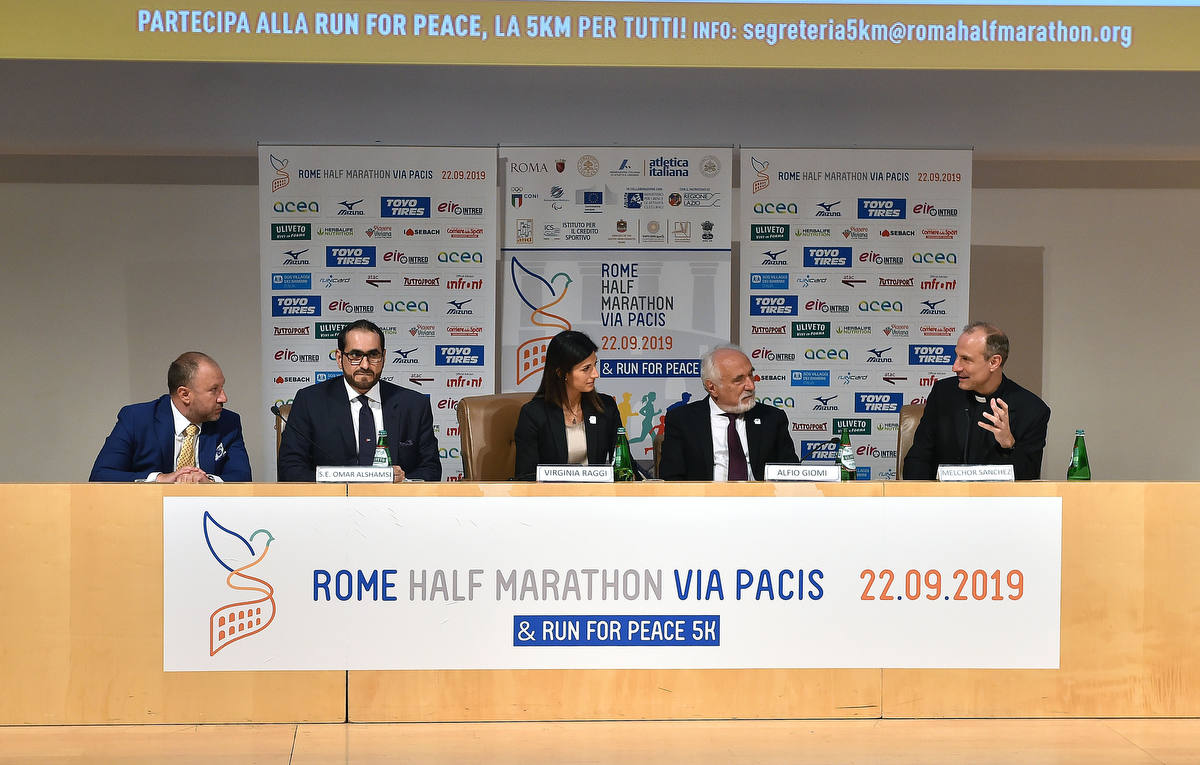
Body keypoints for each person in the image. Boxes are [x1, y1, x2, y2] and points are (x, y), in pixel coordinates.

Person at [277, 319, 440, 483]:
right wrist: (343, 481)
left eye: (373, 355)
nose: (365, 365)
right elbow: (289, 469)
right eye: (355, 355)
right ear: (339, 358)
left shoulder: (414, 405)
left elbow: (431, 469)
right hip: (333, 498)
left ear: (383, 357)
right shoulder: (310, 401)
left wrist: (403, 482)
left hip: (395, 498)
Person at [903, 321, 1051, 480]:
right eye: (957, 356)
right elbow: (918, 457)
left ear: (994, 362)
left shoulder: (1031, 409)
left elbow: (1029, 478)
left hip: (997, 496)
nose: (955, 367)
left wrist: (1009, 445)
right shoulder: (943, 393)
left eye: (965, 359)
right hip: (943, 494)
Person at [90, 352, 251, 482]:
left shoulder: (229, 423)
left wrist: (209, 482)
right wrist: (159, 479)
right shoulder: (137, 419)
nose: (223, 398)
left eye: (222, 387)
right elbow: (101, 475)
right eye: (214, 390)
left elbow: (243, 478)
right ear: (185, 394)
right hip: (149, 509)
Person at [659, 345, 798, 481]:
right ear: (712, 387)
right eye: (739, 380)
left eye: (751, 375)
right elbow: (671, 478)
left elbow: (791, 475)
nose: (751, 385)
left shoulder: (772, 418)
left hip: (762, 495)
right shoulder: (682, 420)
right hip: (705, 495)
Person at [513, 330, 624, 480]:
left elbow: (625, 464)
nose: (595, 374)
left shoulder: (606, 406)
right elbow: (526, 476)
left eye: (595, 365)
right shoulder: (533, 414)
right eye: (586, 368)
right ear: (561, 372)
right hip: (550, 494)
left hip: (596, 493)